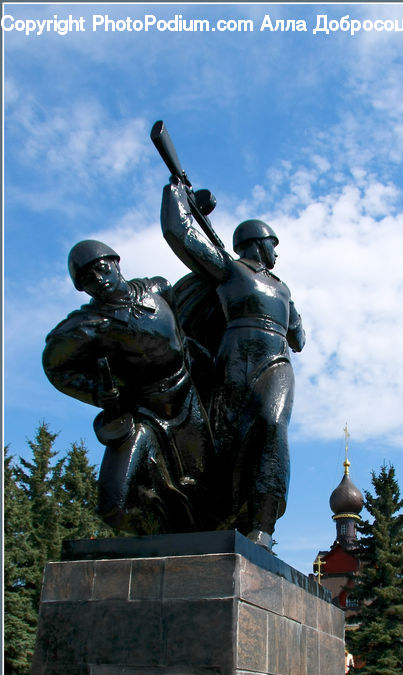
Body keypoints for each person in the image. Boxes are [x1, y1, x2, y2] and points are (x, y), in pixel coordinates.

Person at [161, 180, 305, 550]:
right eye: (274, 245)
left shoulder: (283, 288)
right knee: (225, 441)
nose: (277, 254)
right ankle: (225, 518)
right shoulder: (229, 270)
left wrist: (293, 315)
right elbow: (180, 233)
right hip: (232, 361)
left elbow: (298, 340)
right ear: (260, 241)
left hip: (274, 363)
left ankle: (263, 526)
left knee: (271, 426)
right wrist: (176, 192)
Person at [43, 240, 212, 534]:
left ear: (115, 262)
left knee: (208, 497)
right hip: (142, 412)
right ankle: (157, 539)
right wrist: (97, 392)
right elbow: (55, 366)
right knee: (114, 505)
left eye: (100, 269)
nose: (97, 280)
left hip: (188, 403)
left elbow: (185, 326)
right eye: (86, 279)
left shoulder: (159, 289)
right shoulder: (88, 325)